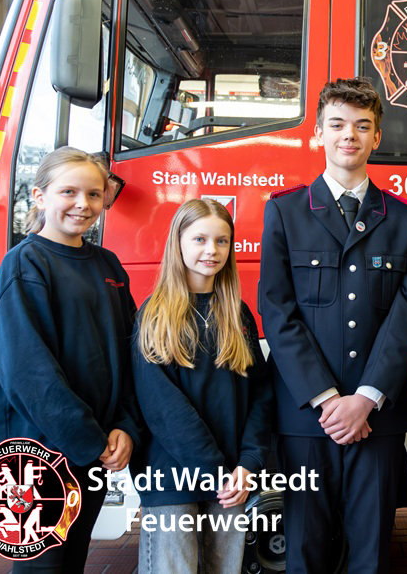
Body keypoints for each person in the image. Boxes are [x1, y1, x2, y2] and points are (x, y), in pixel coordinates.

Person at [258, 77, 407, 573]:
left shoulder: (403, 219)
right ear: (317, 133)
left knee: (371, 551)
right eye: (336, 124)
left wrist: (365, 397)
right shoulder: (284, 213)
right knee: (304, 548)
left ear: (377, 137)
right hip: (306, 418)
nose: (348, 135)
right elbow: (277, 311)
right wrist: (329, 399)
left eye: (362, 126)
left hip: (377, 418)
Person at [0, 146, 140, 573]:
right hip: (37, 460)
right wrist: (91, 440)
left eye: (94, 194)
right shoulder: (25, 265)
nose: (83, 204)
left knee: (71, 564)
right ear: (38, 196)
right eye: (69, 192)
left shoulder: (107, 264)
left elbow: (129, 351)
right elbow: (28, 373)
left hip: (92, 452)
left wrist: (124, 423)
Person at [131, 198, 273, 574]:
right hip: (172, 478)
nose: (211, 250)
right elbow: (163, 408)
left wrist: (248, 464)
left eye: (222, 241)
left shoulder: (237, 313)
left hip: (231, 480)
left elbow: (259, 394)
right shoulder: (154, 314)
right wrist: (215, 471)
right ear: (178, 243)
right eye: (199, 239)